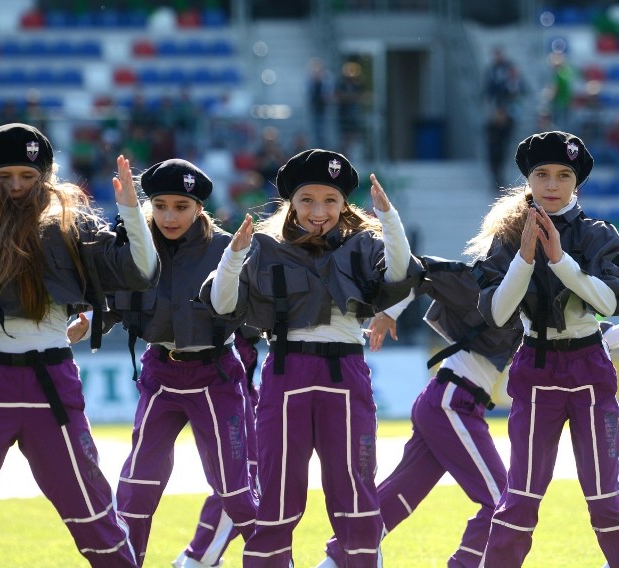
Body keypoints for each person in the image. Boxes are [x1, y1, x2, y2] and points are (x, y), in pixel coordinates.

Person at [315, 235, 619, 568]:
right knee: (503, 500)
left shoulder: (534, 295)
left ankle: (336, 559)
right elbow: (418, 269)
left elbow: (588, 338)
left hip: (450, 401)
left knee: (401, 494)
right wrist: (390, 312)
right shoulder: (480, 281)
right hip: (452, 401)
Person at [200, 148, 423, 567]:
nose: (319, 211)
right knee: (277, 499)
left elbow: (401, 274)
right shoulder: (266, 246)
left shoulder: (364, 244)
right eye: (307, 200)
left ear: (344, 204)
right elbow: (222, 303)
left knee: (355, 495)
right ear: (291, 203)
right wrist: (231, 257)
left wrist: (389, 218)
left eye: (330, 201)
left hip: (346, 372)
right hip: (287, 371)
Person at [0, 123, 159, 566]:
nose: (16, 187)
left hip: (51, 379)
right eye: (5, 176)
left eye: (28, 176)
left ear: (45, 177)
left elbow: (141, 272)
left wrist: (131, 209)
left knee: (95, 518)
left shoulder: (69, 222)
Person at [468, 131, 619, 567]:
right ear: (528, 180)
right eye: (542, 174)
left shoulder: (598, 234)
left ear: (576, 182)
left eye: (564, 175)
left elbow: (610, 304)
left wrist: (560, 260)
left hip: (589, 366)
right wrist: (525, 257)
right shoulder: (509, 237)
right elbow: (496, 313)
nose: (552, 184)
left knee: (606, 498)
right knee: (521, 498)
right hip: (536, 367)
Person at [89, 159, 258, 566]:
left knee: (237, 492)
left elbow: (255, 311)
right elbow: (117, 298)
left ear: (199, 207)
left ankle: (275, 560)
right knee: (136, 488)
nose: (169, 216)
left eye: (181, 206)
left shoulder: (226, 248)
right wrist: (91, 321)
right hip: (159, 374)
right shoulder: (133, 244)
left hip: (217, 375)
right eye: (160, 205)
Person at [172, 324, 262, 568]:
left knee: (233, 484)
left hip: (228, 376)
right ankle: (198, 558)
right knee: (239, 483)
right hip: (226, 375)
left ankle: (196, 556)